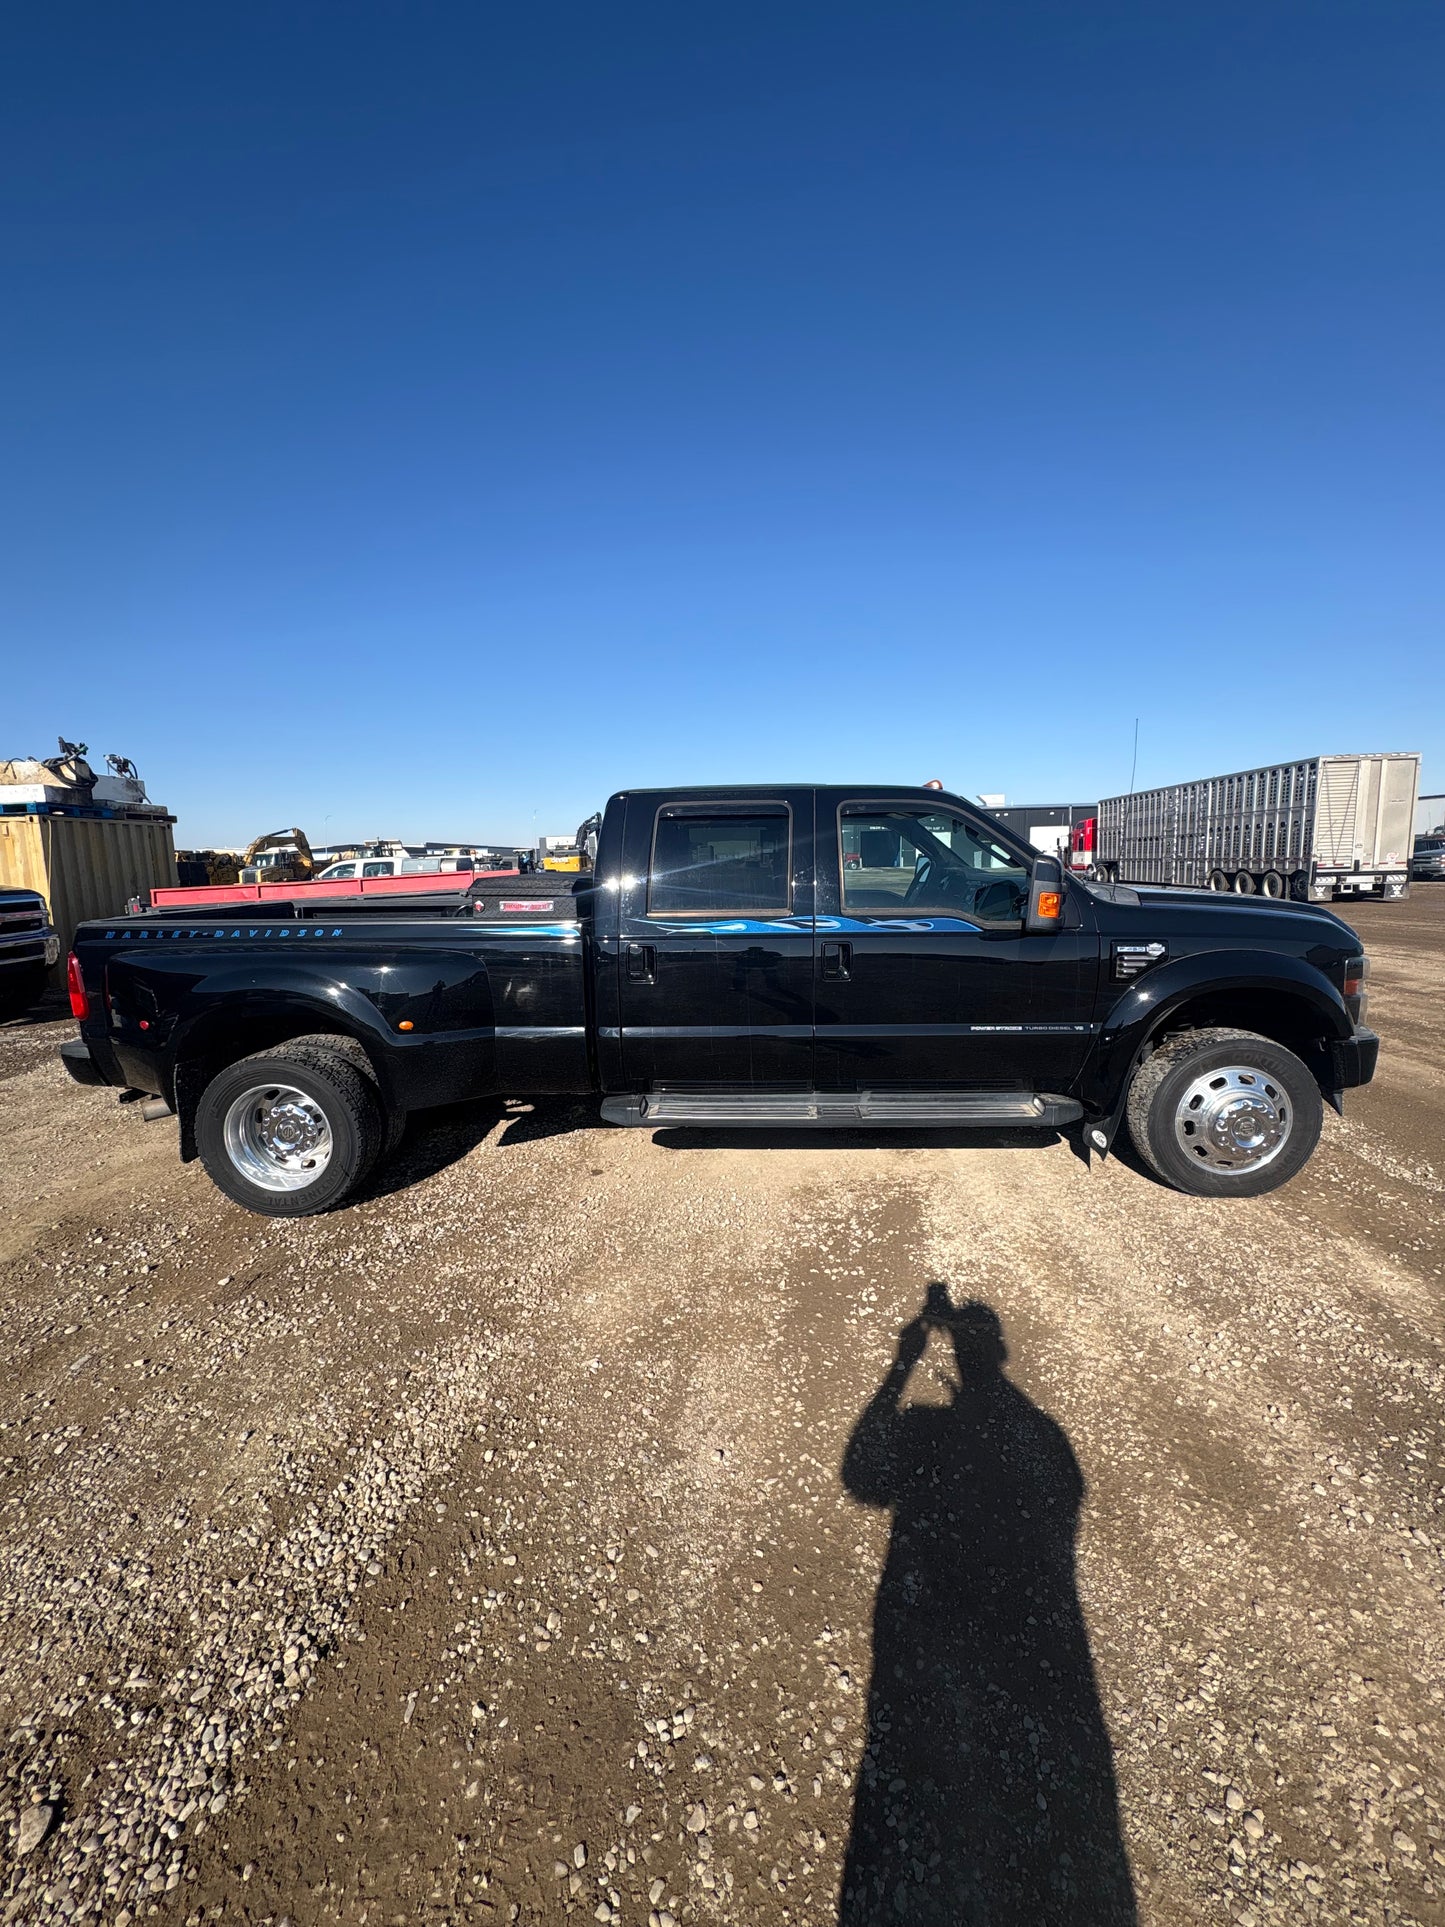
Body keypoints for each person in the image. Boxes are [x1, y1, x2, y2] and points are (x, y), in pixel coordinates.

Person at [839, 1287, 1137, 1926]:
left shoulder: (941, 1429)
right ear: (1000, 1350)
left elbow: (861, 1478)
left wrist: (901, 1366)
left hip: (926, 1639)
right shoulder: (1046, 1438)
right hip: (1046, 1656)